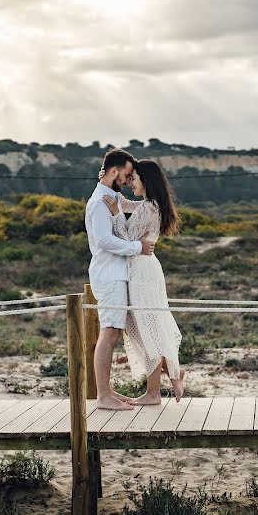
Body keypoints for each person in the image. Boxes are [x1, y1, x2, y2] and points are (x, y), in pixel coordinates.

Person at [102, 159, 185, 403]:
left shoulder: (149, 208)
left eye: (134, 179)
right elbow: (126, 203)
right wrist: (107, 182)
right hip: (143, 270)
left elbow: (127, 237)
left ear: (146, 181)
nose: (129, 184)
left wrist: (117, 215)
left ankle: (157, 389)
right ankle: (167, 378)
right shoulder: (150, 205)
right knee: (144, 328)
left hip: (142, 274)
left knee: (148, 328)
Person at [85, 149, 155, 410]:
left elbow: (126, 204)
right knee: (110, 331)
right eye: (125, 175)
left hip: (117, 274)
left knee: (114, 330)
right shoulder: (101, 202)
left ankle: (108, 391)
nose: (127, 180)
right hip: (110, 275)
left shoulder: (109, 194)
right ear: (114, 173)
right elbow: (103, 240)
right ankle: (103, 396)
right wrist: (138, 247)